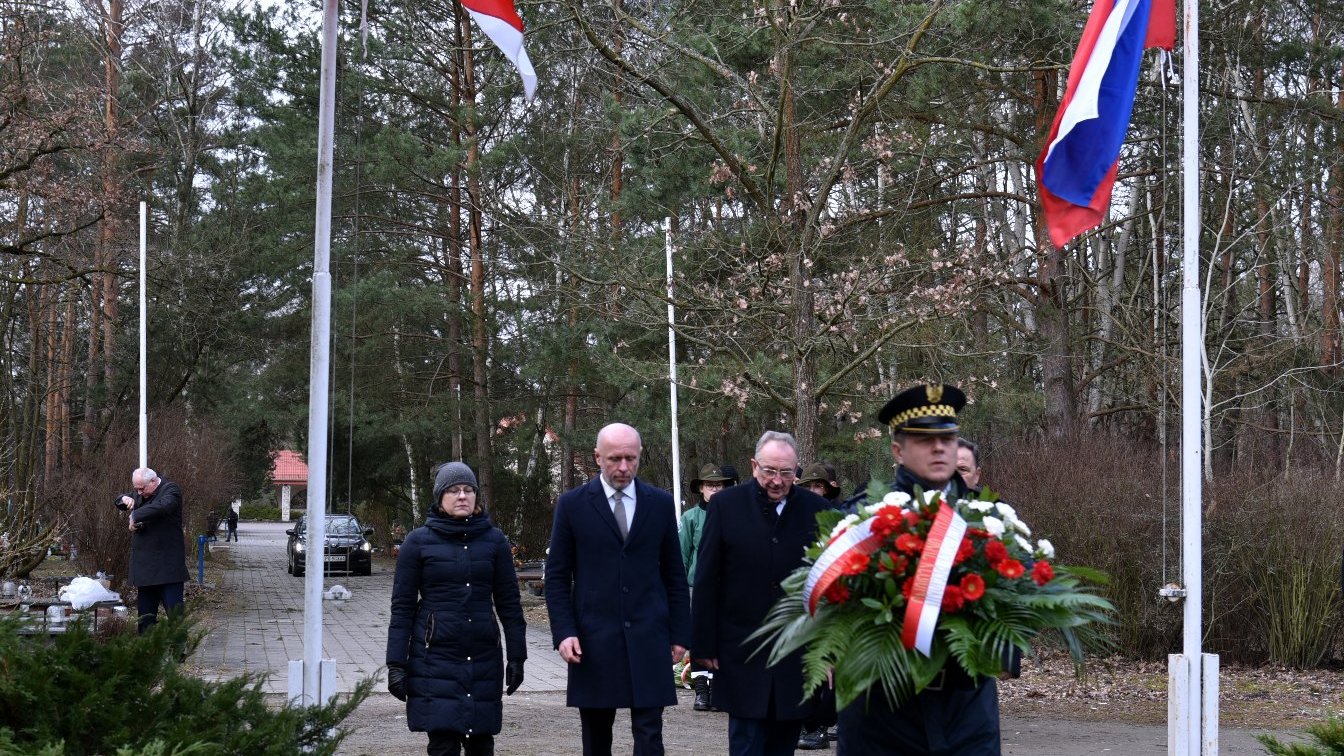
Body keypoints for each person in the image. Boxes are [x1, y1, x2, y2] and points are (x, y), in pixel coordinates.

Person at [837, 383, 1001, 756]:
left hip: (965, 712)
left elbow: (1015, 593)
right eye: (925, 439)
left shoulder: (988, 519)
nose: (940, 447)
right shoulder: (862, 518)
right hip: (883, 714)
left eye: (948, 437)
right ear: (898, 450)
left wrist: (1004, 651)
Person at [544, 423, 691, 756]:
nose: (624, 467)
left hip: (649, 636)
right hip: (593, 639)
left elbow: (674, 574)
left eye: (631, 458)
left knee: (650, 737)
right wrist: (564, 632)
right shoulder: (573, 505)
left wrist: (681, 633)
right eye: (614, 459)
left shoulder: (660, 503)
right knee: (596, 739)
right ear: (597, 457)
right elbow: (556, 576)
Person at [691, 431, 831, 756]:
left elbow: (826, 584)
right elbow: (707, 578)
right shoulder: (726, 505)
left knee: (783, 743)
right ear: (754, 465)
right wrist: (704, 644)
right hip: (741, 648)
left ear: (797, 470)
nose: (777, 481)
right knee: (746, 741)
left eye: (786, 472)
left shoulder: (817, 510)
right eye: (769, 470)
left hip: (794, 651)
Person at [386, 461, 527, 756]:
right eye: (453, 490)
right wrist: (396, 664)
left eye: (468, 490)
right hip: (434, 658)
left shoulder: (495, 541)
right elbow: (402, 608)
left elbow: (510, 604)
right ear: (440, 497)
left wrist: (517, 656)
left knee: (481, 744)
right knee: (443, 744)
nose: (462, 496)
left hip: (483, 656)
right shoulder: (417, 542)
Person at [680, 462, 738, 712]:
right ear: (701, 488)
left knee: (725, 638)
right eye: (710, 485)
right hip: (697, 588)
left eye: (719, 485)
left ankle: (719, 691)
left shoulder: (735, 516)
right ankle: (701, 690)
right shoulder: (691, 518)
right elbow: (681, 556)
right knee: (699, 638)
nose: (715, 489)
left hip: (728, 588)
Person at [794, 462, 842, 751]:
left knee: (831, 671)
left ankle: (824, 724)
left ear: (829, 489)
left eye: (819, 486)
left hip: (833, 603)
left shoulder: (840, 518)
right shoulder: (795, 518)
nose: (813, 492)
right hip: (801, 603)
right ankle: (809, 723)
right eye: (808, 486)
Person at [114, 467, 189, 634]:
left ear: (153, 481)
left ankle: (179, 652)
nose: (139, 493)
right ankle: (146, 651)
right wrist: (124, 498)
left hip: (169, 568)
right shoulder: (141, 493)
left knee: (175, 615)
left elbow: (163, 507)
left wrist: (135, 515)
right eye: (136, 489)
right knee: (145, 618)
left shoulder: (171, 490)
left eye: (142, 488)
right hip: (145, 569)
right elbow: (118, 500)